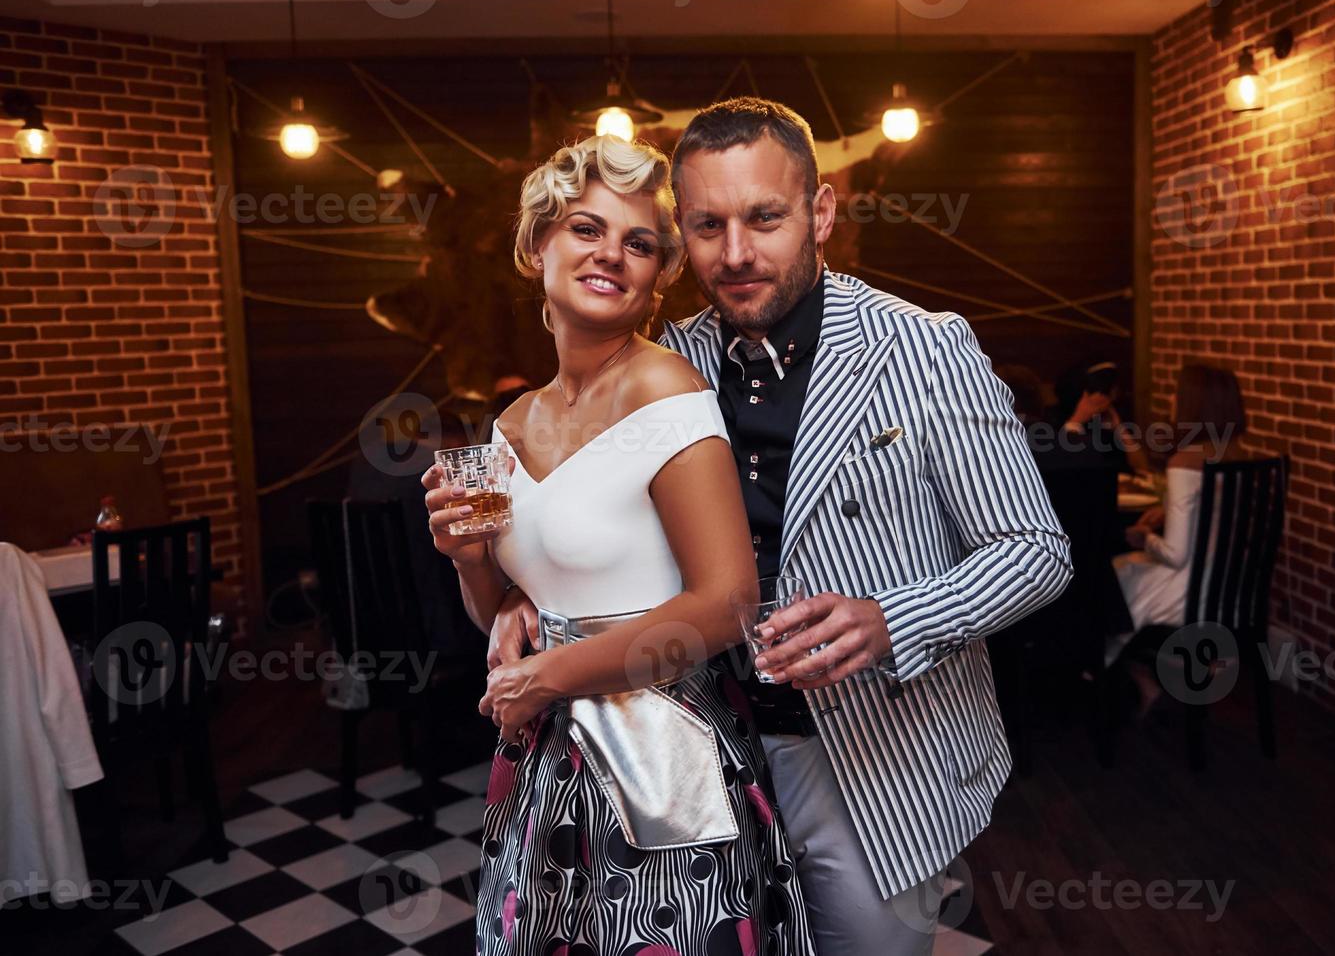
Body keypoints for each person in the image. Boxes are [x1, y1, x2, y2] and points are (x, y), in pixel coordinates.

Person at [488, 98, 1073, 955]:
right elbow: (591, 518)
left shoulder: (923, 348)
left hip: (874, 759)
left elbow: (1035, 553)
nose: (736, 254)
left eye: (764, 218)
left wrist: (891, 619)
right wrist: (515, 593)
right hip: (703, 751)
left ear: (821, 212)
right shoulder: (663, 363)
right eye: (706, 226)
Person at [421, 135, 816, 955]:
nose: (611, 255)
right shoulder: (506, 427)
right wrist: (468, 559)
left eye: (638, 243)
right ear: (537, 247)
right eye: (584, 229)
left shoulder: (664, 387)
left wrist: (548, 674)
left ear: (658, 276)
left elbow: (726, 602)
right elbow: (498, 614)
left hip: (661, 751)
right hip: (547, 755)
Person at [1109, 363, 1251, 668]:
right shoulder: (1238, 456)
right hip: (1231, 590)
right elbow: (1217, 517)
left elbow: (1175, 555)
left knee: (1113, 578)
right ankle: (1155, 679)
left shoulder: (1185, 463)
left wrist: (1144, 537)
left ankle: (1111, 685)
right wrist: (1165, 511)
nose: (1173, 400)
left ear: (1194, 404)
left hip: (1190, 594)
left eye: (1177, 394)